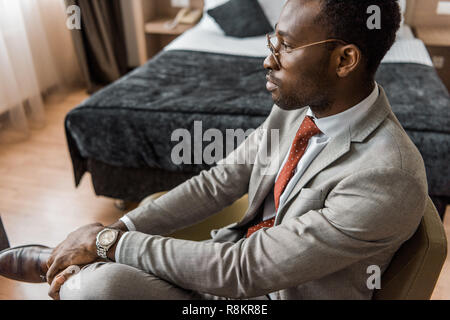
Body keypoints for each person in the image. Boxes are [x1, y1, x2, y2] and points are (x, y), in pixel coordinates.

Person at [0, 0, 428, 300]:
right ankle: (70, 262)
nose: (268, 59)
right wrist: (124, 227)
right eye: (270, 41)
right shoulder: (300, 109)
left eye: (285, 45)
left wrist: (107, 241)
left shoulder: (386, 175)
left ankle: (69, 269)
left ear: (345, 60)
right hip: (231, 259)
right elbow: (218, 183)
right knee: (97, 277)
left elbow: (246, 270)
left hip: (265, 291)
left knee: (91, 288)